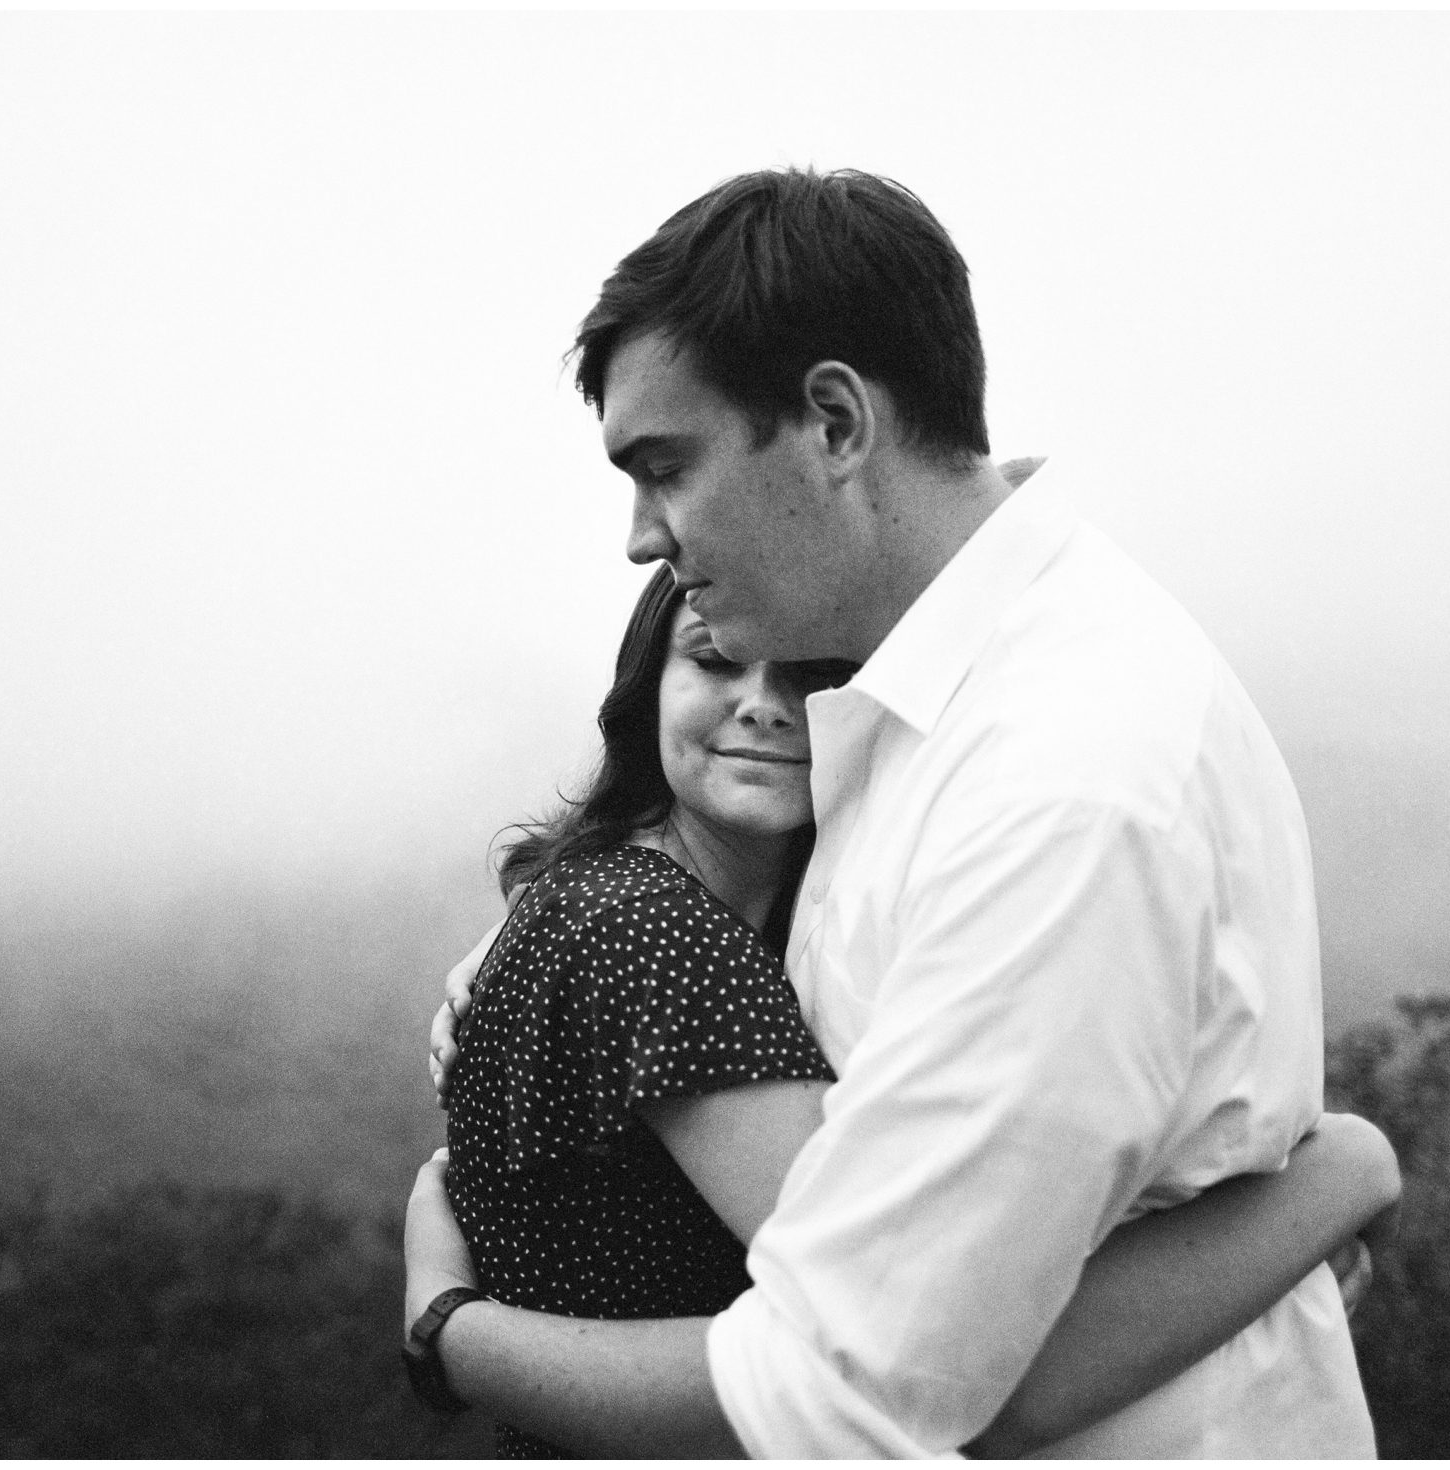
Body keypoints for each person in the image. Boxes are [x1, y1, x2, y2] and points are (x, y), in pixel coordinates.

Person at [405, 167, 1382, 1457]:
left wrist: (447, 1332)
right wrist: (563, 946)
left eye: (665, 467)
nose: (643, 537)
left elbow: (865, 1389)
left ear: (831, 422)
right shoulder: (914, 701)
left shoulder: (1058, 782)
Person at [428, 564, 1398, 1457]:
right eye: (714, 661)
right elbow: (936, 1329)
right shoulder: (655, 931)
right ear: (646, 693)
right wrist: (1345, 1172)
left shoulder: (673, 915)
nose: (763, 706)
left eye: (811, 677)